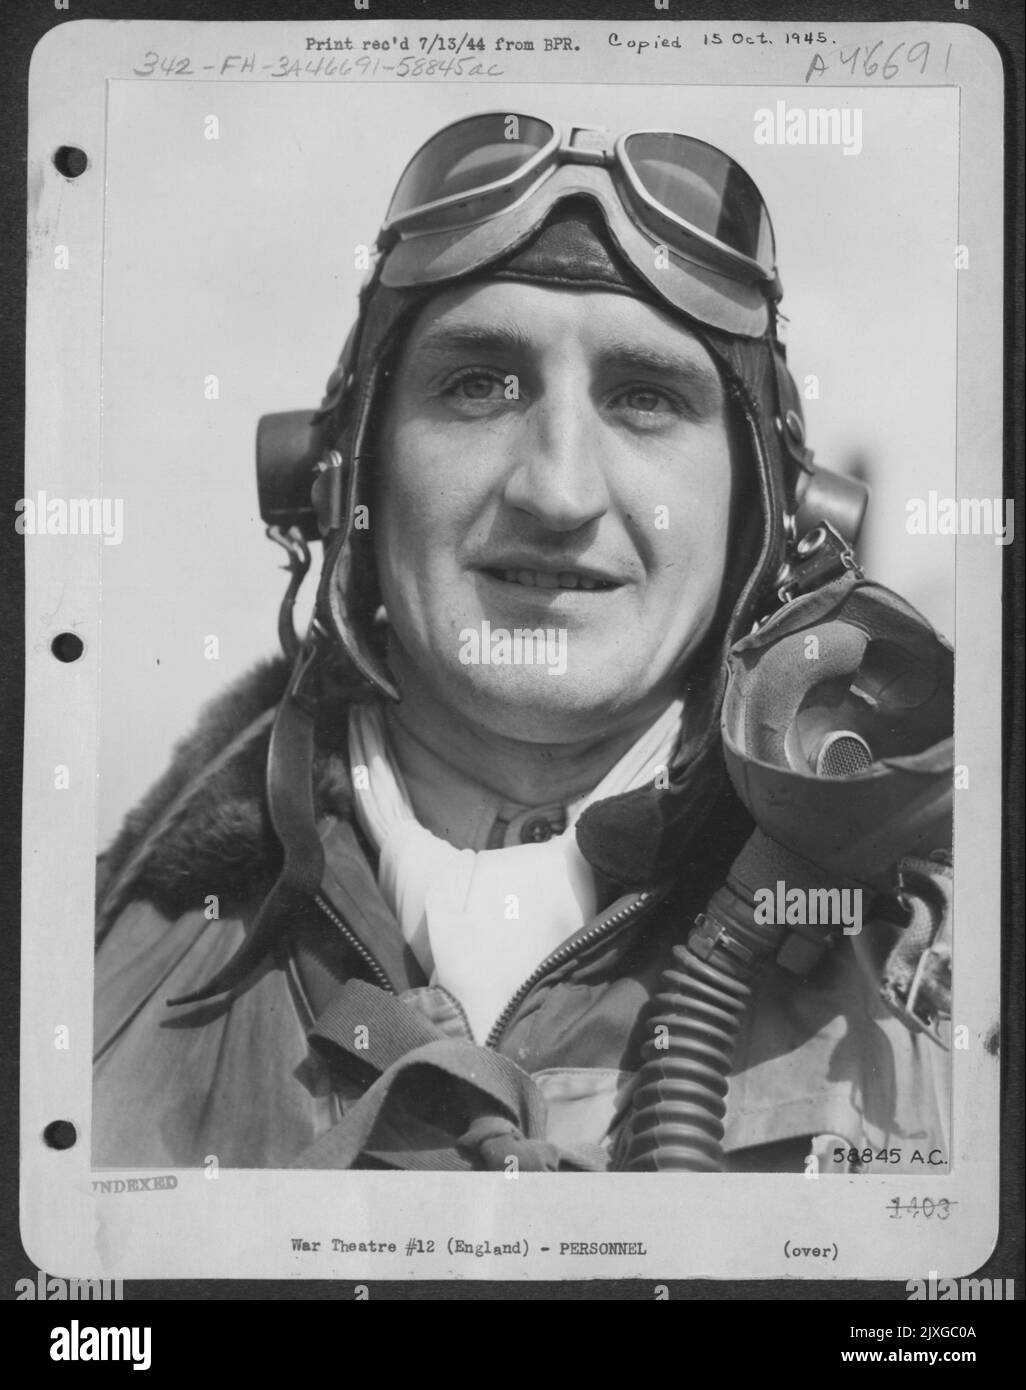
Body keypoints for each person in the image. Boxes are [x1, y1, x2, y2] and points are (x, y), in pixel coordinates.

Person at [93, 113, 953, 1173]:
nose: (556, 489)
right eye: (477, 386)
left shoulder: (950, 985)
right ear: (343, 477)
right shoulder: (91, 990)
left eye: (645, 398)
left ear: (772, 515)